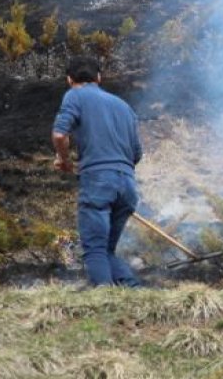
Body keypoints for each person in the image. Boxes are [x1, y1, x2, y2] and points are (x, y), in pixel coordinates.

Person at [52, 56, 144, 287]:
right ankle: (133, 289)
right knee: (105, 251)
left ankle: (104, 299)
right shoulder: (124, 106)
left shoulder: (75, 94)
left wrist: (64, 160)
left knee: (94, 249)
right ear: (99, 78)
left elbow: (60, 134)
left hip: (99, 182)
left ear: (70, 79)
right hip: (128, 186)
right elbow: (137, 154)